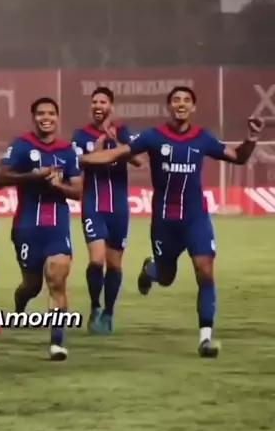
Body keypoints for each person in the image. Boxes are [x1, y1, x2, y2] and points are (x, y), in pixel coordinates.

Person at [81, 86, 264, 357]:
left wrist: (251, 138)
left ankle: (205, 338)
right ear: (169, 106)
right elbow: (117, 154)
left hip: (195, 219)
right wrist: (80, 160)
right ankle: (151, 270)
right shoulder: (154, 136)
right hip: (165, 222)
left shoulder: (202, 137)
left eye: (186, 100)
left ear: (193, 107)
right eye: (176, 100)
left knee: (205, 271)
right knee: (166, 278)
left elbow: (238, 157)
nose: (181, 104)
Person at [0, 96, 82, 360]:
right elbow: (0, 178)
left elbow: (78, 192)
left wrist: (59, 186)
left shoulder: (67, 151)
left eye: (51, 113)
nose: (46, 118)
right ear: (34, 118)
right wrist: (34, 176)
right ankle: (20, 306)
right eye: (41, 113)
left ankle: (57, 343)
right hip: (27, 227)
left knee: (57, 279)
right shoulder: (22, 145)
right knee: (31, 286)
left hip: (57, 226)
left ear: (57, 117)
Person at [72, 86, 142, 334]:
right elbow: (77, 162)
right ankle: (95, 307)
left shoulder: (123, 131)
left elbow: (139, 160)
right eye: (94, 102)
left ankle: (109, 312)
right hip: (93, 205)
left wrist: (118, 143)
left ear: (111, 106)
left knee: (114, 264)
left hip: (119, 208)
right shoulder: (81, 135)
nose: (98, 105)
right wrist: (97, 149)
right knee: (96, 259)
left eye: (103, 102)